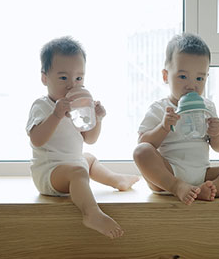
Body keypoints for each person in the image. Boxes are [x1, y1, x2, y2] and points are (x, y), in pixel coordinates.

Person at [26, 36, 139, 239]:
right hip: (49, 172)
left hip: (72, 164)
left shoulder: (78, 105)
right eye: (63, 78)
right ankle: (91, 213)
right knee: (79, 170)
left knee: (89, 159)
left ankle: (117, 180)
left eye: (78, 79)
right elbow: (37, 139)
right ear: (44, 78)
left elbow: (90, 138)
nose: (72, 85)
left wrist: (98, 118)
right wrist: (56, 115)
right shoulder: (42, 106)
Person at [133, 33, 219, 206]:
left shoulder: (207, 107)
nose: (191, 85)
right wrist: (164, 127)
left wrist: (216, 134)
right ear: (166, 76)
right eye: (183, 76)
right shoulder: (160, 109)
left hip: (201, 173)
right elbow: (144, 142)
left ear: (207, 78)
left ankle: (204, 189)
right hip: (168, 172)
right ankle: (177, 186)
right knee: (141, 152)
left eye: (199, 78)